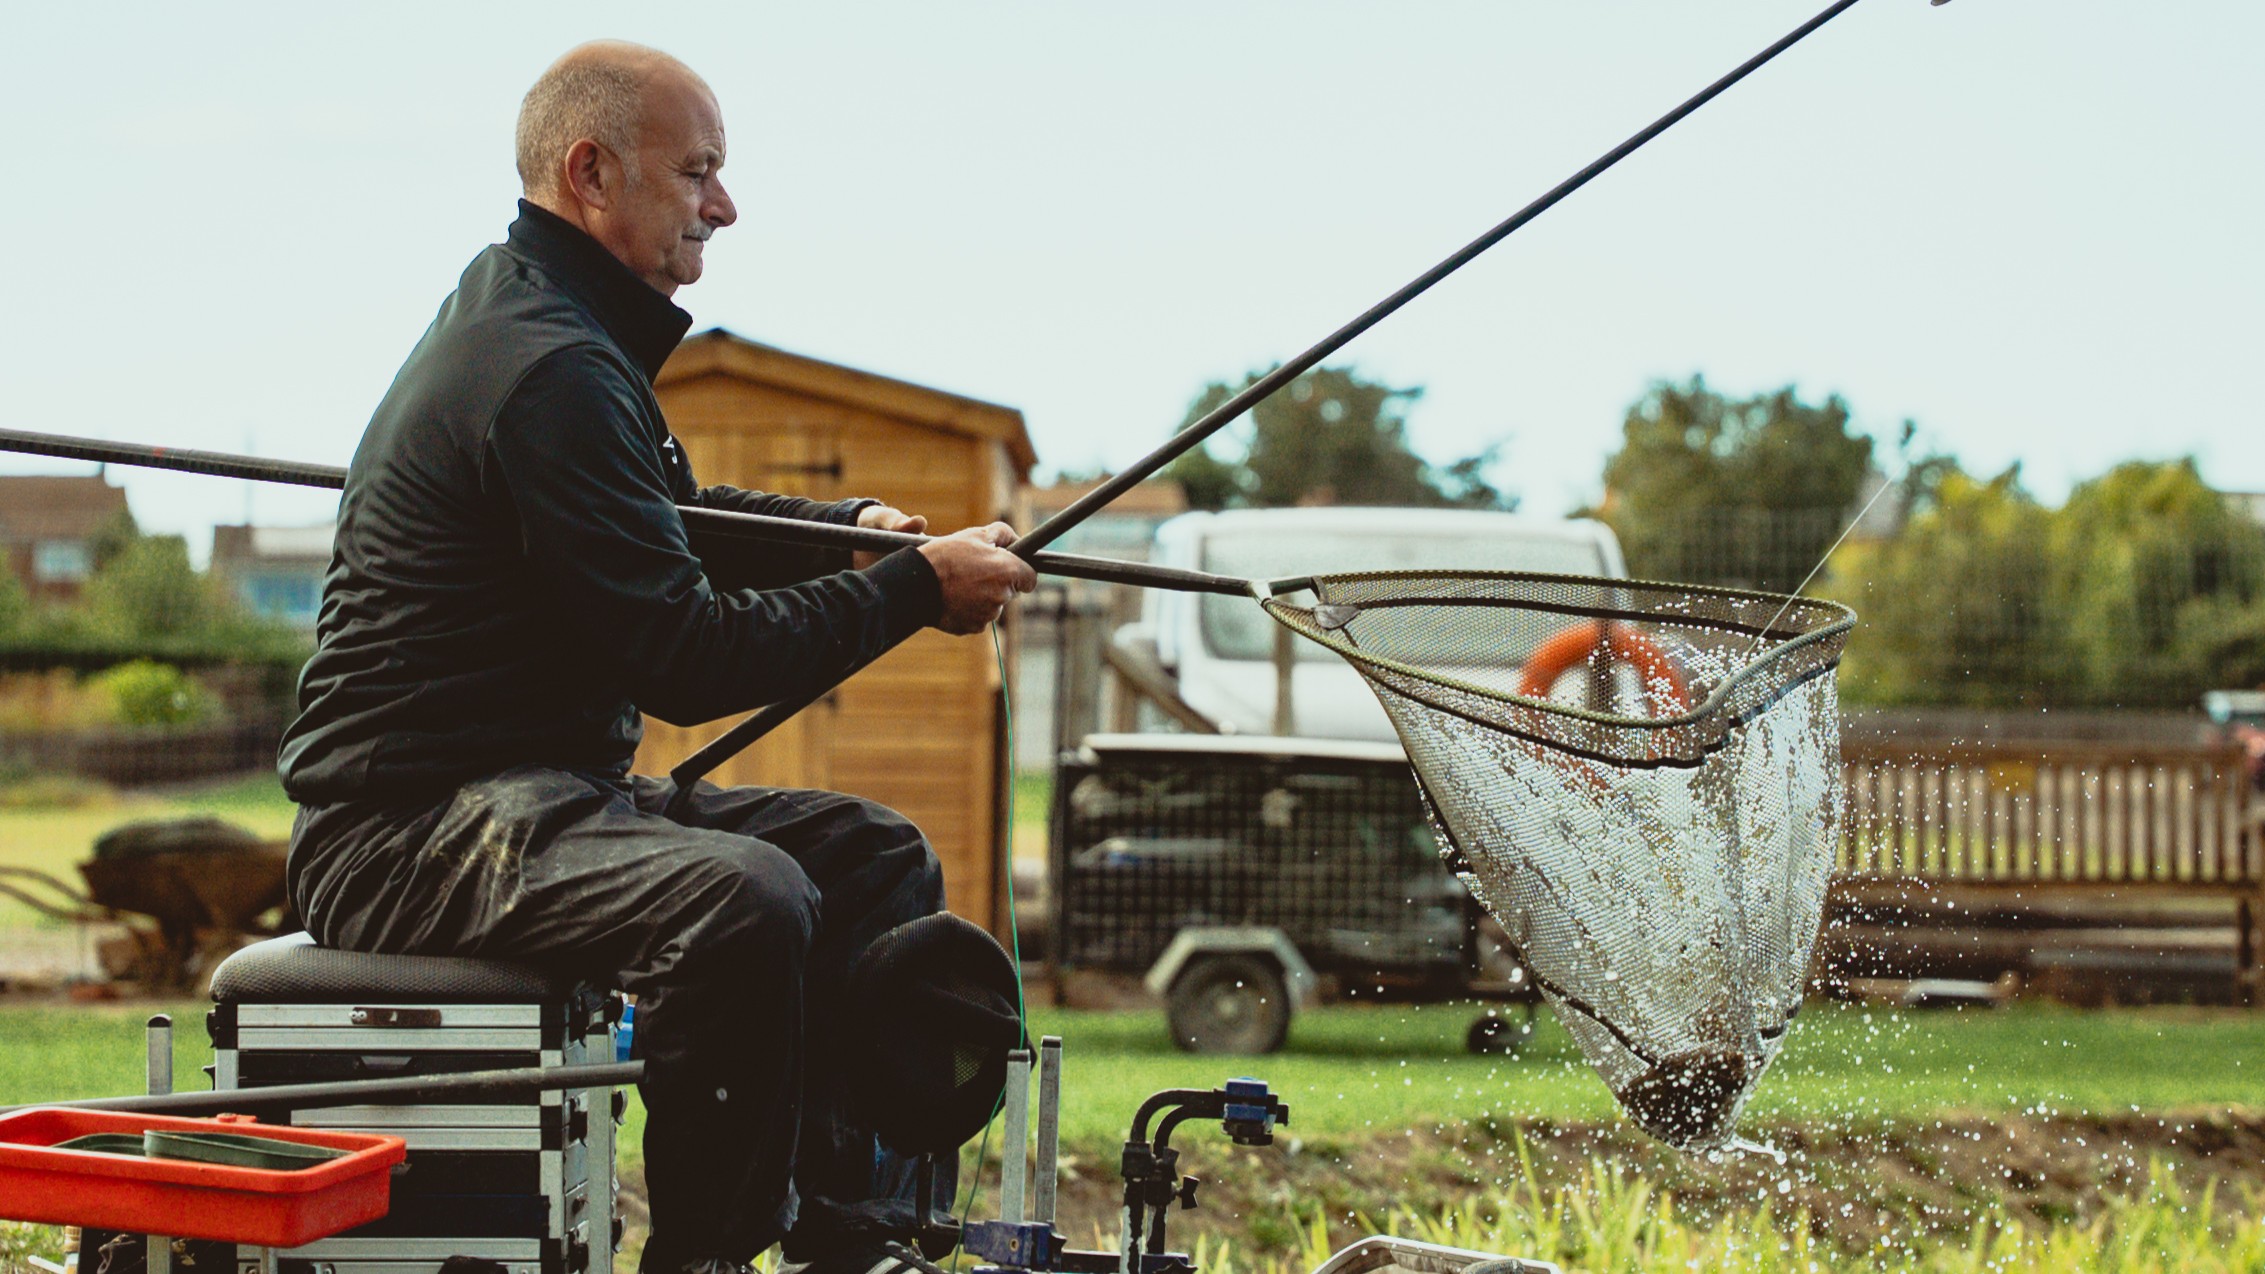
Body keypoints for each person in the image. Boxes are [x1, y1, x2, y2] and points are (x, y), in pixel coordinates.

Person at [275, 40, 1037, 1274]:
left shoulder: (550, 322)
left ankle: (861, 1237)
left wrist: (850, 537)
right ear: (590, 171)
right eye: (698, 174)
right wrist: (912, 592)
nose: (723, 207)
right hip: (402, 830)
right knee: (743, 895)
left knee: (874, 852)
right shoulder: (550, 366)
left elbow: (673, 524)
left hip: (538, 799)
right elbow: (681, 653)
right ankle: (710, 1255)